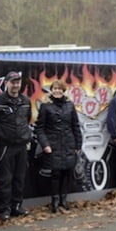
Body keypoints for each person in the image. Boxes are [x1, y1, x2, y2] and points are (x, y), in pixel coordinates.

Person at [34, 80, 82, 213]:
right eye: (54, 88)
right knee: (55, 174)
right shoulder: (45, 106)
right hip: (53, 145)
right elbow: (40, 128)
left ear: (63, 90)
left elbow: (75, 126)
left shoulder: (70, 105)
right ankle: (54, 200)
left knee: (67, 173)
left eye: (59, 89)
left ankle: (63, 200)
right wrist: (45, 145)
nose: (57, 91)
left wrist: (78, 144)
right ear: (51, 90)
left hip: (68, 144)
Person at [0, 71, 32, 221]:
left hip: (21, 145)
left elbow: (27, 120)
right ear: (6, 83)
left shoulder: (26, 101)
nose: (15, 85)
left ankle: (17, 206)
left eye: (18, 82)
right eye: (13, 82)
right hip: (4, 146)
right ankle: (4, 209)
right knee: (5, 179)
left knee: (20, 178)